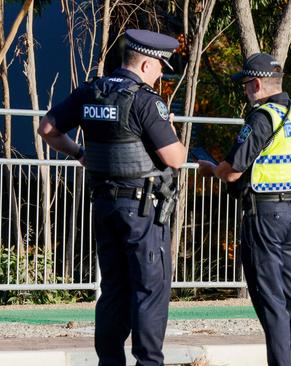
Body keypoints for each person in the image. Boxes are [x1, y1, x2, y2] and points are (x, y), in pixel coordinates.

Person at [38, 29, 187, 366]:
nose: (162, 73)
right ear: (147, 64)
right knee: (149, 291)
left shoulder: (92, 92)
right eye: (161, 67)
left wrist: (79, 152)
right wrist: (171, 129)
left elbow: (47, 128)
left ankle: (109, 362)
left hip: (104, 204)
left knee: (114, 289)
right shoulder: (146, 102)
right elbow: (175, 158)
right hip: (142, 209)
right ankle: (149, 362)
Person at [197, 52, 291, 366]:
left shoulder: (263, 117)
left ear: (258, 83)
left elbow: (234, 170)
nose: (245, 90)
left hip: (266, 215)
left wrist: (212, 170)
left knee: (271, 301)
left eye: (247, 84)